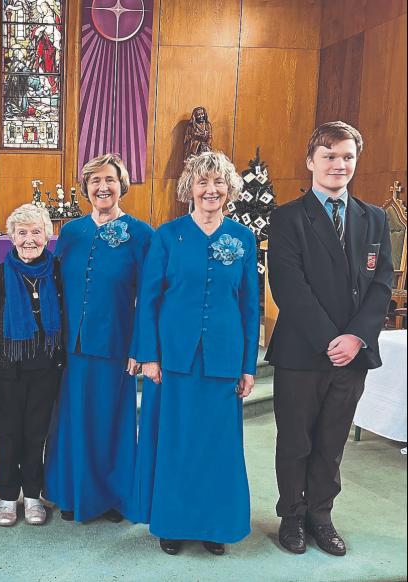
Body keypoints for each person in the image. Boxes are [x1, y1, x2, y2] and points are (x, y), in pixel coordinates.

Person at [266, 121, 393, 557]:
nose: (339, 164)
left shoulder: (373, 217)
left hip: (352, 355)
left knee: (332, 441)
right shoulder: (287, 217)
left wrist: (356, 337)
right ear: (310, 162)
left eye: (347, 157)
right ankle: (292, 516)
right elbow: (288, 286)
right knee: (296, 440)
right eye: (329, 156)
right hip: (303, 350)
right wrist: (329, 339)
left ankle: (321, 515)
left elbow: (382, 284)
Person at [132, 151, 259, 555]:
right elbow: (149, 298)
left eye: (218, 183)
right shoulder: (167, 235)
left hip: (223, 358)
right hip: (173, 359)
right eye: (203, 182)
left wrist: (247, 366)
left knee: (216, 446)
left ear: (229, 189)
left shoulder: (242, 238)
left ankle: (213, 525)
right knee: (174, 442)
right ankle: (171, 522)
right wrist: (148, 355)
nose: (211, 190)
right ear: (190, 187)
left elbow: (249, 305)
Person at [44, 153, 153, 523]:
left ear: (122, 184)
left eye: (109, 179)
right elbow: (55, 288)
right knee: (73, 420)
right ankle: (72, 493)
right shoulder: (72, 232)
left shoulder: (141, 234)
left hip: (116, 346)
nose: (102, 187)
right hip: (71, 349)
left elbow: (150, 297)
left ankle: (110, 497)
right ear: (85, 188)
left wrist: (140, 347)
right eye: (94, 181)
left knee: (110, 422)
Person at [0, 204, 64, 526]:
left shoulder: (58, 273)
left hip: (46, 371)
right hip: (5, 374)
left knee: (37, 436)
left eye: (36, 232)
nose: (29, 239)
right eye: (22, 233)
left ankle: (34, 497)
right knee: (8, 437)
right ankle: (8, 498)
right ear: (10, 237)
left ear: (47, 236)